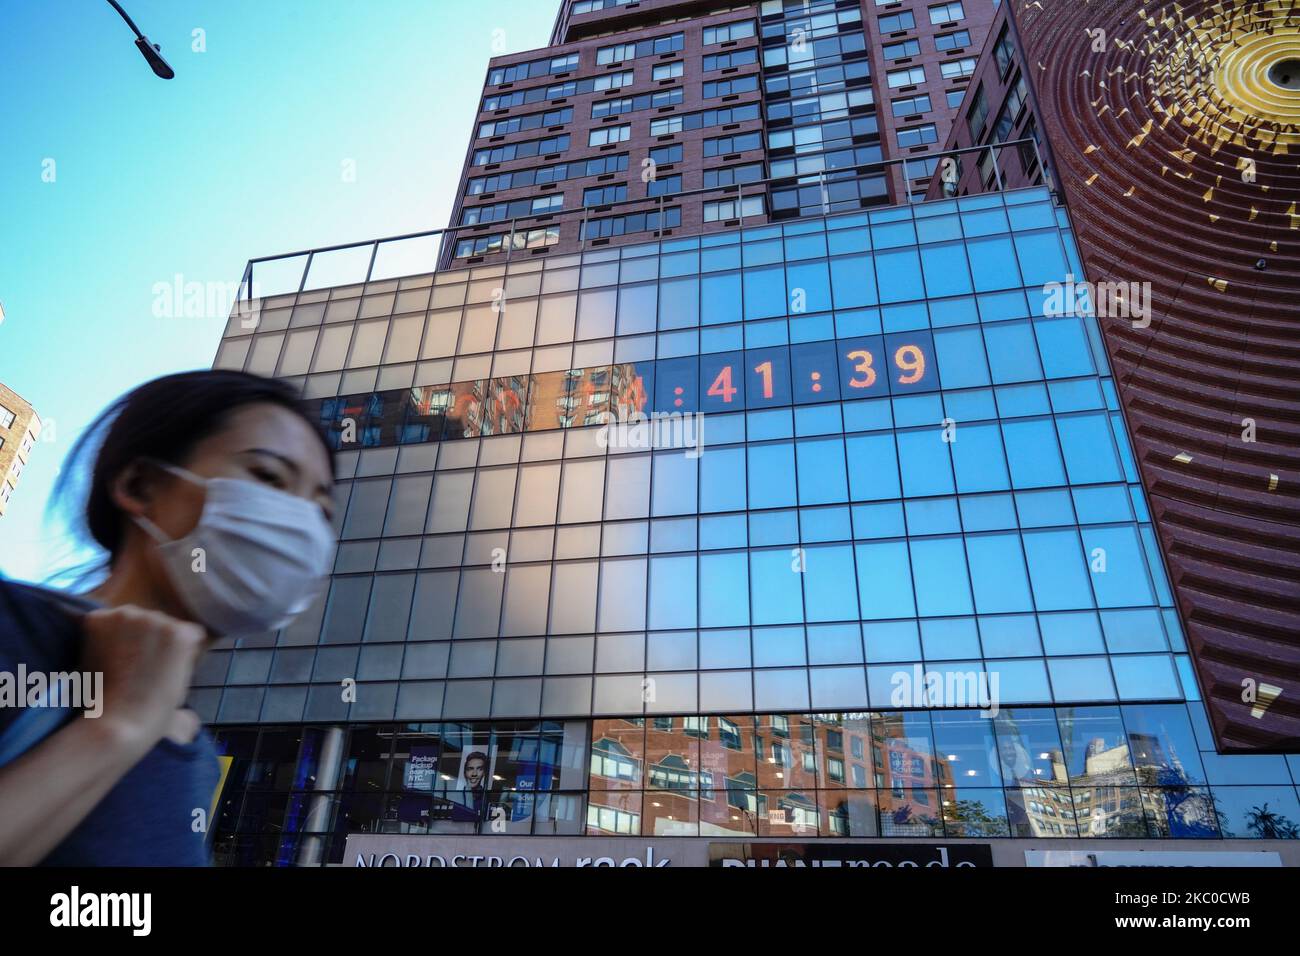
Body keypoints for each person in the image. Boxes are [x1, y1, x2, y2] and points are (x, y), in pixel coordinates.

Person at [0, 370, 338, 866]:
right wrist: (116, 727)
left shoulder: (194, 753)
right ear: (140, 485)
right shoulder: (14, 633)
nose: (302, 527)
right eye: (268, 477)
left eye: (322, 512)